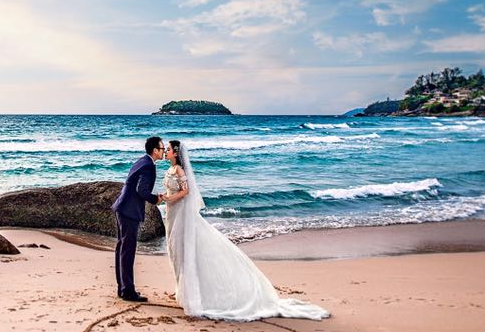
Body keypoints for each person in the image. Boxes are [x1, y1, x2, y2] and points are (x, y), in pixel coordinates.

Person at [160, 140, 329, 321]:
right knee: (176, 249)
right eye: (165, 149)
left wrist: (169, 199)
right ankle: (183, 290)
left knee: (185, 249)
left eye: (168, 149)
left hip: (181, 211)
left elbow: (186, 191)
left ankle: (193, 295)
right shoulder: (170, 170)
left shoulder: (180, 170)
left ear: (176, 153)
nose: (166, 151)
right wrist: (167, 199)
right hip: (172, 212)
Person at [111, 136, 166, 302]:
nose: (163, 151)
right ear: (155, 150)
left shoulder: (141, 161)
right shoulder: (149, 166)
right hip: (129, 211)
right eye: (162, 149)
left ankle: (123, 288)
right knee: (127, 250)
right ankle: (128, 291)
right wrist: (155, 199)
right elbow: (141, 190)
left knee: (122, 248)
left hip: (122, 207)